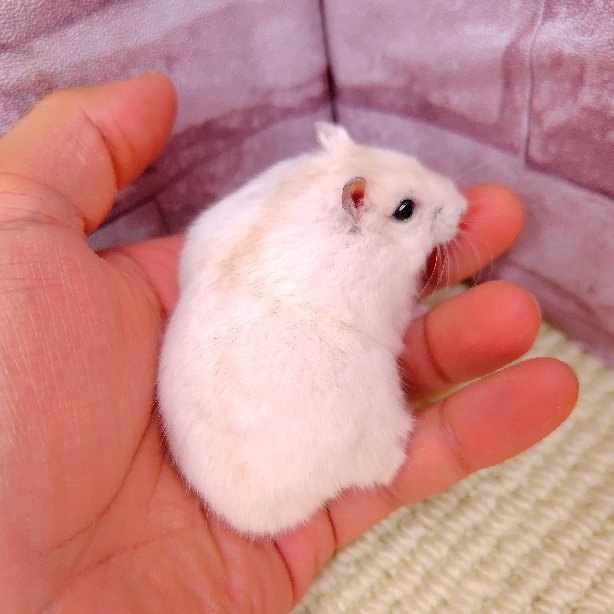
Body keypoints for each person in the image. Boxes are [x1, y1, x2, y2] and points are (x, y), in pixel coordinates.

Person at [0, 72, 578, 611]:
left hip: (226, 451)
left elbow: (204, 242)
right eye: (407, 210)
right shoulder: (340, 257)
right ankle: (369, 458)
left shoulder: (286, 210)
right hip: (271, 464)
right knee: (350, 364)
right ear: (355, 205)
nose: (452, 208)